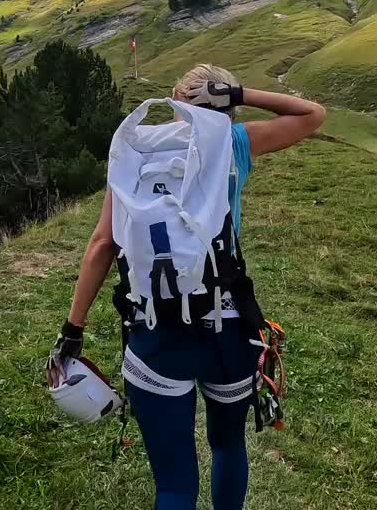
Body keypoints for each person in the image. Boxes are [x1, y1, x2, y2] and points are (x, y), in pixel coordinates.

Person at [47, 64, 326, 510]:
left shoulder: (136, 151)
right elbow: (312, 114)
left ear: (174, 99)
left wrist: (72, 330)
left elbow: (102, 244)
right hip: (228, 326)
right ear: (227, 105)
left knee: (175, 485)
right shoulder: (235, 144)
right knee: (228, 446)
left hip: (156, 330)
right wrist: (241, 92)